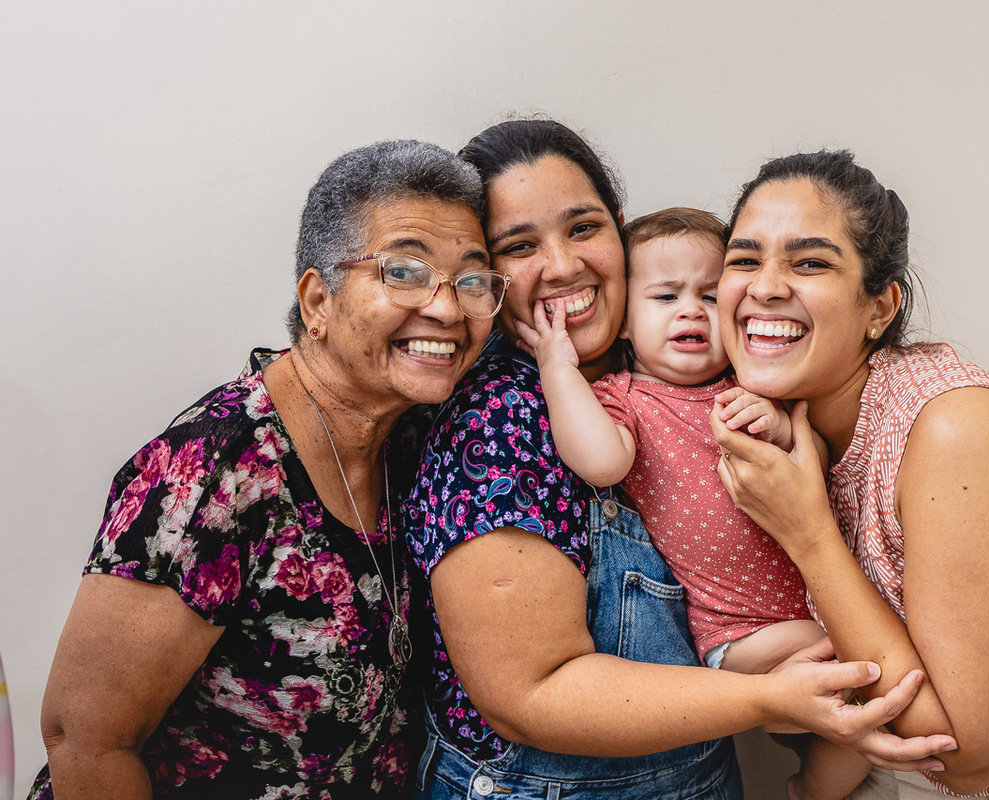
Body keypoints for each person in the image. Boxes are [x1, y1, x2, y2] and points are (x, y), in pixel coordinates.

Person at [403, 119, 957, 800]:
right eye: (519, 245)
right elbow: (527, 695)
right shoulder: (503, 421)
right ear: (484, 278)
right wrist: (768, 701)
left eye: (582, 228)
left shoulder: (725, 377)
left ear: (621, 236)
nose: (562, 265)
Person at [30, 140, 509, 798]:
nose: (449, 309)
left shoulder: (415, 438)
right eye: (405, 272)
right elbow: (83, 740)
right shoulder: (214, 470)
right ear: (317, 301)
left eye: (473, 280)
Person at [710, 149, 989, 798]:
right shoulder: (771, 426)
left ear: (880, 309)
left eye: (810, 262)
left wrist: (807, 534)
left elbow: (966, 755)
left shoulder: (958, 429)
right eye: (744, 260)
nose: (765, 286)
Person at [516, 206, 870, 799]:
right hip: (741, 635)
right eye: (664, 297)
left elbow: (821, 471)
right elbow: (602, 461)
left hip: (820, 600)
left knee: (858, 715)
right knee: (862, 671)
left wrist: (783, 432)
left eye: (710, 296)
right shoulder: (623, 398)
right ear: (625, 320)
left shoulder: (756, 384)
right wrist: (558, 367)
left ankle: (811, 789)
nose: (691, 311)